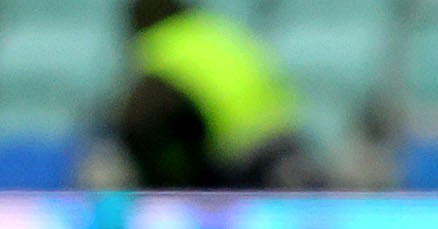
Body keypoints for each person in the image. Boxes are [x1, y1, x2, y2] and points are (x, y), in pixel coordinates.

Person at [116, 0, 322, 190]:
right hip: (284, 135)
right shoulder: (215, 30)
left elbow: (139, 118)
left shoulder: (159, 45)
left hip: (239, 153)